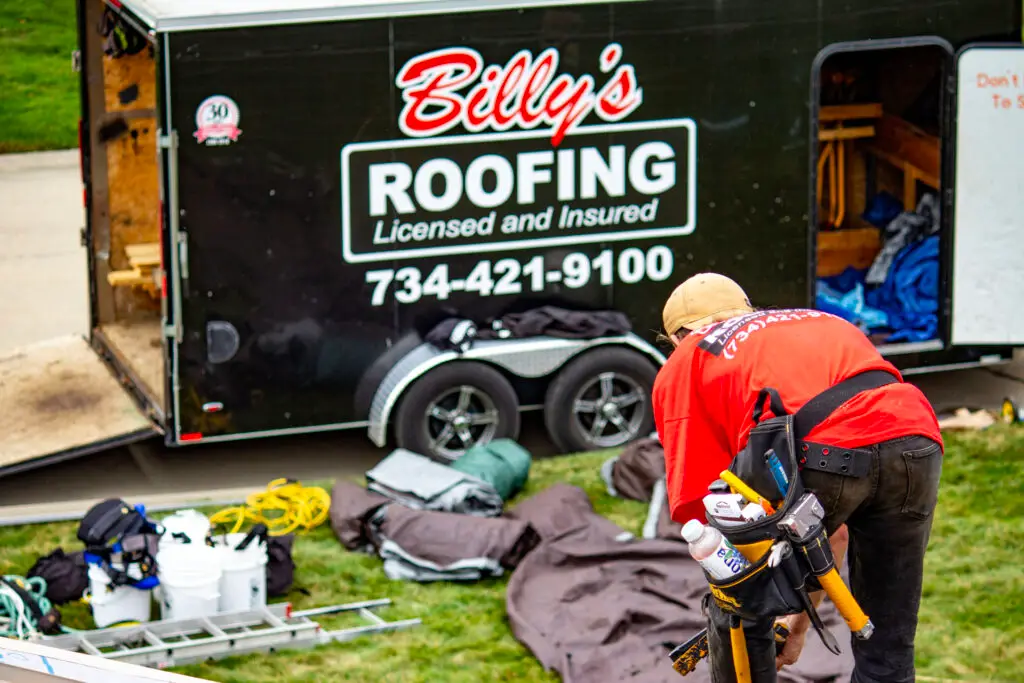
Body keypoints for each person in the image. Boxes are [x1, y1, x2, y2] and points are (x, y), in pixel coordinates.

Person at [652, 272, 943, 683]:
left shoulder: (691, 354)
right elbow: (830, 533)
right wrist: (798, 625)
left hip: (822, 453)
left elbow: (712, 517)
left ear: (677, 338)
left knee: (736, 596)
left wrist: (747, 584)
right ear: (747, 311)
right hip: (916, 437)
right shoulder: (817, 319)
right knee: (887, 645)